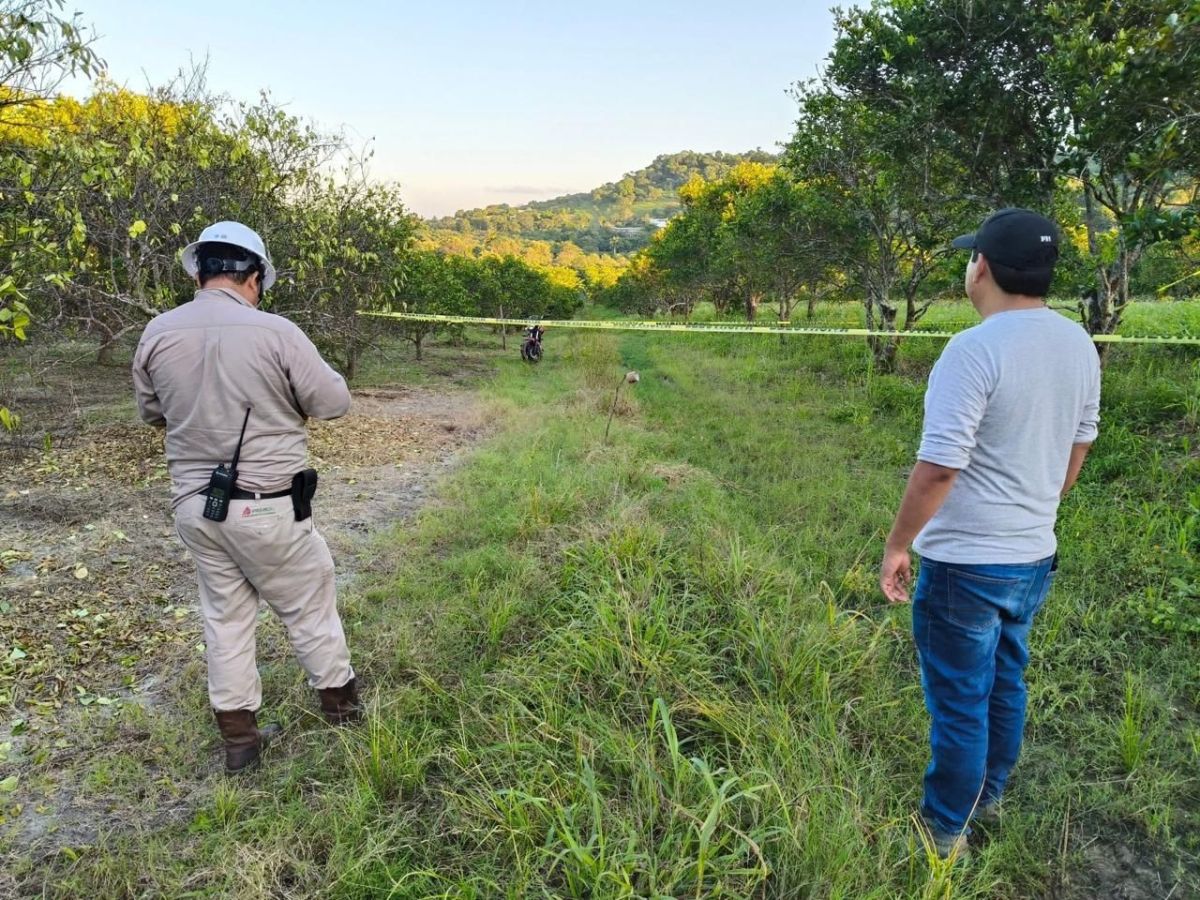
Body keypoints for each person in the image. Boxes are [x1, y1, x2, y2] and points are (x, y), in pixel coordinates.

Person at [879, 208, 1101, 859]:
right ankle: (990, 793)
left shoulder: (973, 349)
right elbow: (1079, 446)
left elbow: (941, 465)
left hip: (966, 567)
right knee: (1006, 680)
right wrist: (1034, 504)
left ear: (983, 267)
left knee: (960, 699)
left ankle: (944, 830)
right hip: (1034, 555)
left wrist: (898, 545)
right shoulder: (1078, 343)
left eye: (971, 256)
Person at [133, 221, 362, 773]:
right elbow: (334, 401)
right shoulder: (277, 333)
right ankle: (341, 708)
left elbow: (151, 412)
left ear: (200, 271)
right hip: (269, 506)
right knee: (308, 604)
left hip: (196, 508)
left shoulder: (158, 333)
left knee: (225, 619)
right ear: (253, 276)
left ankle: (240, 743)